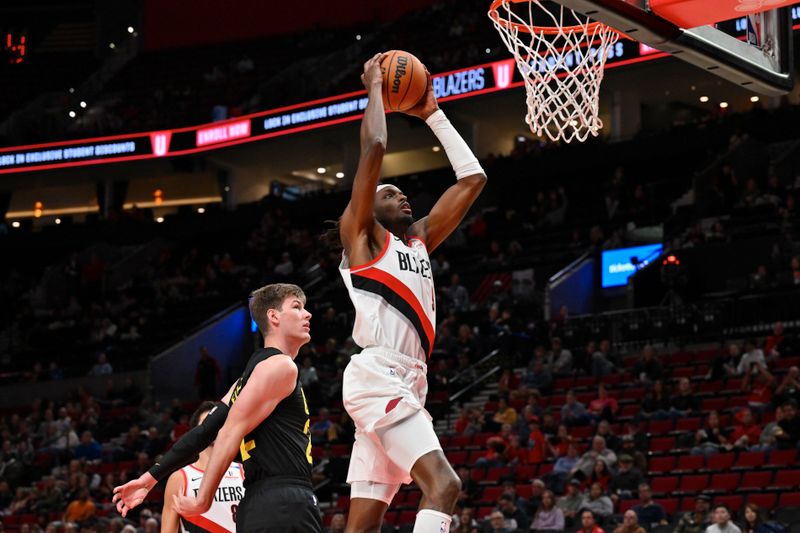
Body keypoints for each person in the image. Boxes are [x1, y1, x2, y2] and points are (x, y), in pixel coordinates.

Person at [330, 53, 486, 533]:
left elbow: (473, 179)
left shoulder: (416, 242)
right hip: (379, 374)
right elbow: (375, 143)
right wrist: (375, 87)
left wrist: (433, 113)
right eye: (388, 192)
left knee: (362, 527)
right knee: (444, 486)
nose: (401, 195)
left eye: (402, 192)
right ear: (369, 206)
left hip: (409, 380)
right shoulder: (362, 236)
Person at [113, 284, 322, 532]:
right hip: (285, 503)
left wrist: (149, 479)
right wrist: (204, 499)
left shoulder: (246, 379)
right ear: (273, 316)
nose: (307, 314)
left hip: (259, 504)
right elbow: (228, 432)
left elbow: (204, 432)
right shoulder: (280, 367)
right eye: (297, 307)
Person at [161, 402, 244, 532]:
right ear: (197, 433)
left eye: (220, 423)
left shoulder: (243, 471)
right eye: (209, 423)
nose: (215, 428)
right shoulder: (179, 479)